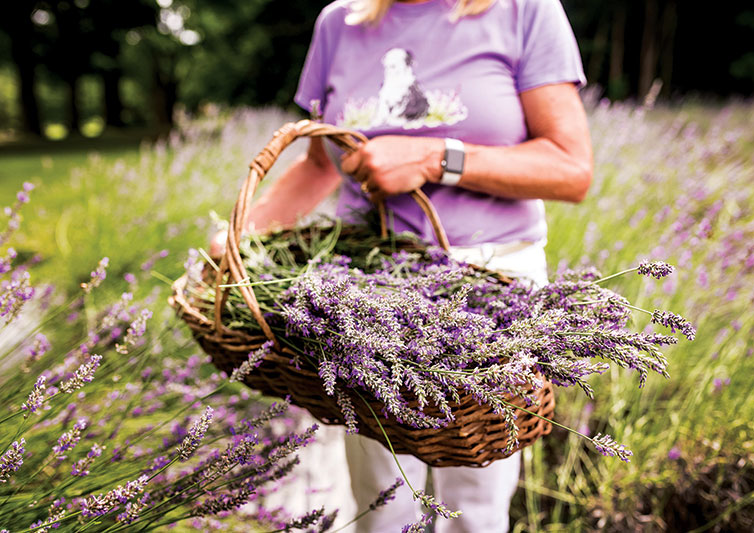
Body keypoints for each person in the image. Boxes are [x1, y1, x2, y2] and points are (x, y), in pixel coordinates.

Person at [215, 0, 592, 530]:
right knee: (381, 494)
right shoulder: (339, 22)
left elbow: (570, 168)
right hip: (365, 292)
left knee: (476, 498)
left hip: (489, 291)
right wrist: (235, 238)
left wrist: (438, 158)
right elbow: (318, 166)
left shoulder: (524, 10)